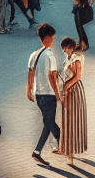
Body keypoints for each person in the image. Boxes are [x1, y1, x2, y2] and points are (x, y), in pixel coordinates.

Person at [28, 23, 60, 167]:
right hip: (49, 95)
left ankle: (59, 144)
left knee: (51, 122)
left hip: (38, 95)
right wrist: (57, 93)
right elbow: (52, 76)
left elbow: (30, 74)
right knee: (48, 124)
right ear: (47, 38)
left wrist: (29, 90)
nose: (53, 40)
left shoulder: (34, 55)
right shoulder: (49, 55)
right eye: (52, 37)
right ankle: (37, 151)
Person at [57, 37, 88, 166]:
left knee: (71, 121)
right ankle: (65, 149)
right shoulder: (70, 58)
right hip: (69, 90)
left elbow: (77, 77)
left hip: (73, 91)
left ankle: (70, 153)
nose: (64, 52)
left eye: (65, 50)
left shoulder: (76, 58)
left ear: (69, 48)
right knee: (67, 120)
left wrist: (65, 88)